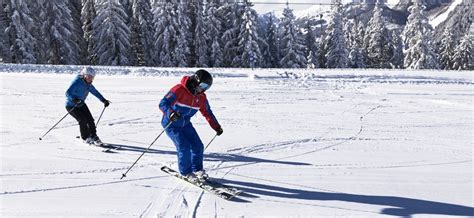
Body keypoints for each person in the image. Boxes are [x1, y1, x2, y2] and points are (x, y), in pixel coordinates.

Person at [159, 69, 223, 181]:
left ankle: (197, 170)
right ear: (195, 80)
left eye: (206, 87)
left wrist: (216, 126)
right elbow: (163, 103)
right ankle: (186, 172)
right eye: (202, 85)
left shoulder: (201, 97)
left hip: (186, 124)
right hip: (171, 124)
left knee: (198, 146)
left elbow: (208, 113)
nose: (203, 89)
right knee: (184, 147)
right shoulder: (179, 89)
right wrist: (171, 113)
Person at [65, 67, 110, 145]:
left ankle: (93, 135)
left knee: (90, 119)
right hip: (71, 105)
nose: (90, 79)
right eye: (89, 77)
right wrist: (74, 99)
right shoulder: (77, 82)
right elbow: (67, 93)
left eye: (92, 77)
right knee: (82, 120)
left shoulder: (88, 85)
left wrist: (103, 100)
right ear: (84, 75)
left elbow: (95, 92)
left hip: (81, 104)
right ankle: (85, 138)